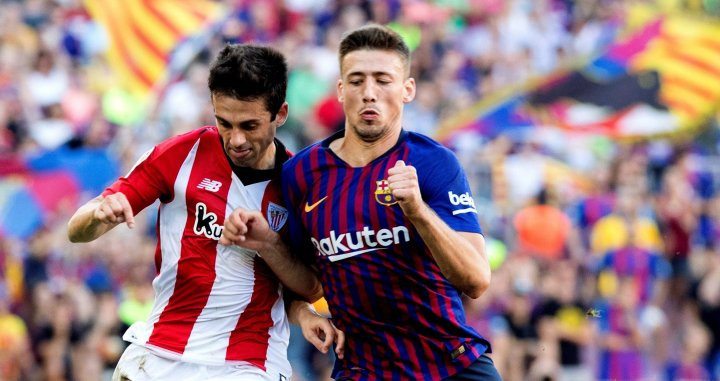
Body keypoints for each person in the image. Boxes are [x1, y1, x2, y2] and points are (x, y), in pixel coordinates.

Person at [67, 44, 342, 381]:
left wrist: (268, 244)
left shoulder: (299, 184)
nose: (236, 139)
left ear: (280, 114)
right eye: (224, 122)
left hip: (247, 363)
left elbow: (311, 286)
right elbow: (76, 231)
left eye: (249, 125)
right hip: (159, 354)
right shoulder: (179, 155)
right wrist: (98, 215)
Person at [282, 24, 500, 380]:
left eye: (383, 80)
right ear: (340, 90)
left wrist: (418, 212)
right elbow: (296, 279)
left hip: (451, 366)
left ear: (407, 89)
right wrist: (302, 312)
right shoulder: (302, 174)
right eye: (356, 81)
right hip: (362, 371)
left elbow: (475, 279)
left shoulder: (434, 163)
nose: (369, 93)